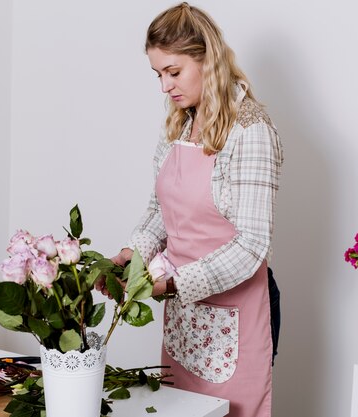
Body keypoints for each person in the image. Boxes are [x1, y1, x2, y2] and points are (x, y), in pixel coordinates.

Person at [102, 3, 283, 416]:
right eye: (158, 74)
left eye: (174, 71)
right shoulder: (181, 126)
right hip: (184, 320)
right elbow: (159, 213)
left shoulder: (251, 131)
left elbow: (253, 245)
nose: (165, 86)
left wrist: (172, 284)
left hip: (235, 319)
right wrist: (132, 256)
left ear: (208, 59)